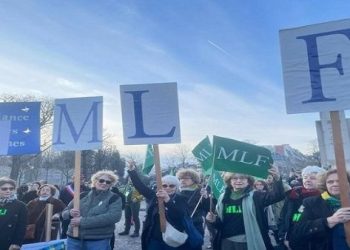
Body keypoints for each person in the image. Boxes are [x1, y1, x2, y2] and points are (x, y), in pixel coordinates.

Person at [206, 166, 285, 250]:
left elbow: (277, 196)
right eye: (234, 178)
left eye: (242, 178)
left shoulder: (256, 196)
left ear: (248, 181)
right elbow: (221, 223)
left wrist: (277, 178)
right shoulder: (223, 197)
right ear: (229, 181)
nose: (238, 181)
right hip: (226, 242)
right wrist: (213, 220)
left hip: (248, 243)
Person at [127, 162, 190, 250]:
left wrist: (168, 200)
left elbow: (180, 215)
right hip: (155, 237)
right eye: (164, 185)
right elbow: (141, 187)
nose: (168, 188)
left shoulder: (181, 198)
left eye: (171, 186)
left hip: (172, 238)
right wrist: (132, 171)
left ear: (176, 187)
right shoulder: (155, 196)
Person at [62, 170, 122, 250]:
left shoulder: (114, 198)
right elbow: (64, 213)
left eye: (108, 182)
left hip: (97, 240)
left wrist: (82, 221)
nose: (104, 183)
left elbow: (113, 217)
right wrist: (70, 213)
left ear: (111, 185)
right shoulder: (82, 195)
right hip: (74, 238)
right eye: (101, 180)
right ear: (95, 181)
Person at [291, 168, 350, 250]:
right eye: (330, 182)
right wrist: (329, 221)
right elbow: (296, 226)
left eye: (340, 180)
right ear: (325, 185)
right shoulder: (306, 201)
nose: (335, 184)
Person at [279, 165, 325, 250]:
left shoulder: (326, 197)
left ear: (321, 180)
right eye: (305, 177)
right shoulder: (294, 195)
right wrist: (283, 238)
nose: (308, 180)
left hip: (320, 243)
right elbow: (284, 218)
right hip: (295, 242)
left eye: (312, 178)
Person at [176, 168, 209, 250]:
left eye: (186, 178)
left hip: (195, 225)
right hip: (179, 226)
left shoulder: (200, 191)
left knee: (195, 246)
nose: (182, 180)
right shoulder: (176, 191)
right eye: (181, 178)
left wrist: (206, 198)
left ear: (194, 180)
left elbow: (208, 209)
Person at [0, 177, 27, 250]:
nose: (8, 191)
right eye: (4, 189)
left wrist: (17, 243)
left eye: (11, 189)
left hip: (8, 243)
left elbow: (22, 226)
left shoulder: (21, 206)